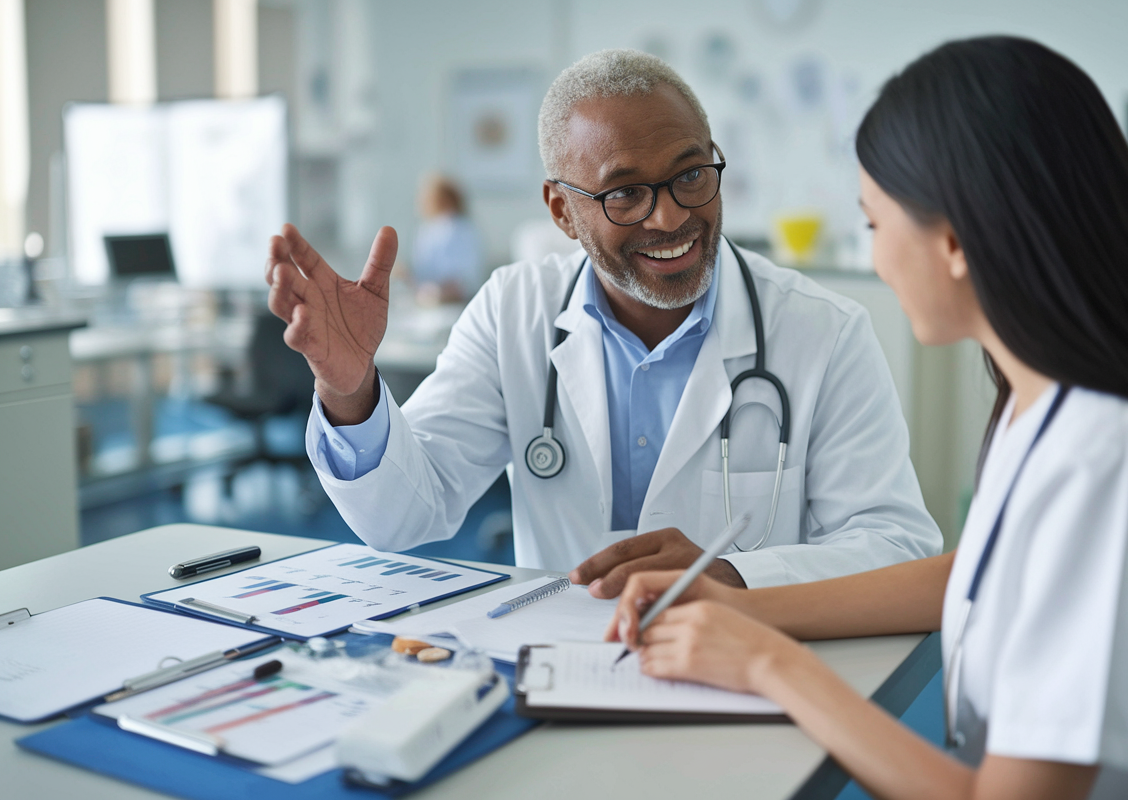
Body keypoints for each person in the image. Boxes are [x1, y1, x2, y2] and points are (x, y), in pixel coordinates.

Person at [608, 37, 1128, 799]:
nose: (879, 260)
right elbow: (987, 575)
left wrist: (769, 664)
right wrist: (742, 607)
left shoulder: (1112, 458)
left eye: (873, 225)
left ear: (955, 240)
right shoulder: (1048, 406)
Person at [264, 49, 941, 598]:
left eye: (691, 175)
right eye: (625, 194)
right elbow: (406, 513)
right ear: (561, 211)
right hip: (560, 673)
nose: (670, 217)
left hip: (750, 673)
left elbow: (895, 545)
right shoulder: (513, 313)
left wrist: (732, 576)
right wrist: (351, 392)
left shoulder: (824, 332)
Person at [410, 174, 483, 303]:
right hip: (429, 298)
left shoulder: (461, 229)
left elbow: (465, 277)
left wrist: (442, 291)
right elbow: (423, 272)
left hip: (457, 301)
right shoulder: (427, 229)